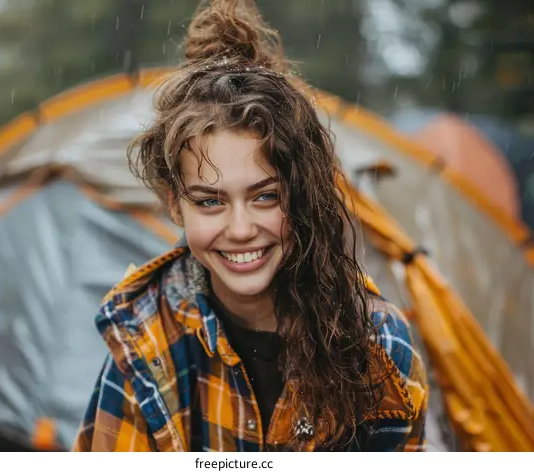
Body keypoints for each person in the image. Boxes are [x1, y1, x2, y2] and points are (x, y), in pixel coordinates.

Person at [73, 0, 427, 452]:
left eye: (265, 196)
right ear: (175, 205)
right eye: (209, 202)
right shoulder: (144, 344)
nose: (240, 229)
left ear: (302, 195)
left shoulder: (377, 348)